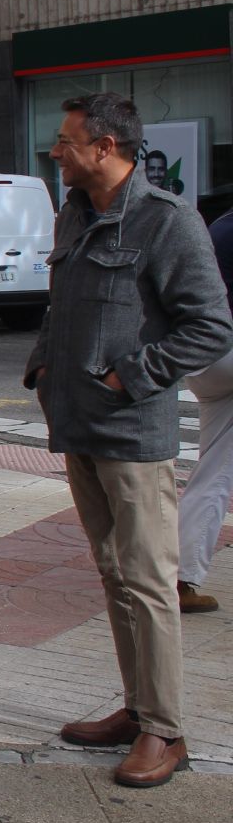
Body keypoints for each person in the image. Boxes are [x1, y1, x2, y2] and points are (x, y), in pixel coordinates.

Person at [25, 94, 233, 787]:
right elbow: (63, 305)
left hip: (131, 431)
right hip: (78, 423)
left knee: (147, 581)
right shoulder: (75, 212)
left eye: (66, 141)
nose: (56, 152)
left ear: (106, 148)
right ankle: (137, 707)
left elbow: (209, 328)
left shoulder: (167, 222)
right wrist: (45, 363)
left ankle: (165, 732)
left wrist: (128, 375)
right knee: (114, 576)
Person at [179, 208, 233, 613]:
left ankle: (181, 578)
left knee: (214, 468)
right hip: (228, 350)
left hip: (203, 359)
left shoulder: (219, 226)